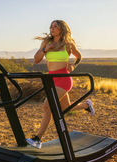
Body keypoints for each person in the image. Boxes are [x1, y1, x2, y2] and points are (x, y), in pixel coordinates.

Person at [26, 20, 95, 149]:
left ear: (62, 29)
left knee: (48, 105)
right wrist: (46, 49)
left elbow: (79, 56)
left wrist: (73, 65)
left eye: (55, 26)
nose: (52, 28)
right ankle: (87, 105)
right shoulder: (46, 42)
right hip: (52, 79)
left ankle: (37, 139)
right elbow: (36, 59)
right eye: (51, 26)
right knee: (65, 108)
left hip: (64, 78)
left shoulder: (68, 44)